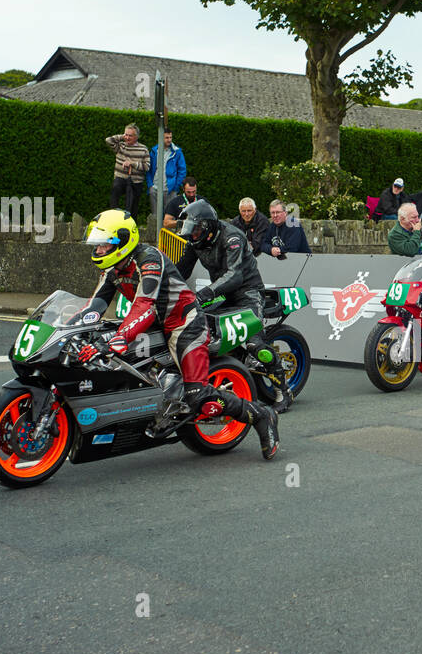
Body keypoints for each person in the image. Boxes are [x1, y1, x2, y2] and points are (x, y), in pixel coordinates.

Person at [77, 209, 278, 459]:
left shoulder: (149, 259)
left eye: (104, 245)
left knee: (198, 397)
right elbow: (96, 304)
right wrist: (72, 328)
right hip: (154, 323)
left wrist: (122, 337)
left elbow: (145, 303)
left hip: (183, 323)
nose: (98, 250)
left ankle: (260, 414)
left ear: (123, 240)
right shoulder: (113, 267)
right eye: (97, 245)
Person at [173, 200, 294, 412]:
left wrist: (205, 293)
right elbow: (181, 270)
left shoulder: (232, 237)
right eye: (190, 232)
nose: (192, 236)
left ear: (207, 227)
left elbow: (234, 275)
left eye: (195, 231)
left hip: (248, 292)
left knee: (254, 344)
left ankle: (283, 391)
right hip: (222, 293)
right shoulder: (196, 241)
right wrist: (164, 286)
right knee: (198, 324)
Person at [105, 124, 149, 216]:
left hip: (136, 181)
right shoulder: (120, 146)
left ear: (136, 137)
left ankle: (131, 223)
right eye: (126, 135)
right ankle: (113, 216)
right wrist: (122, 136)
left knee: (133, 206)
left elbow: (147, 167)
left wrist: (132, 163)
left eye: (130, 135)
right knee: (115, 189)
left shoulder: (143, 149)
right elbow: (108, 140)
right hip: (121, 178)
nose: (127, 138)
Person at [146, 129, 186, 221]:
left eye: (170, 137)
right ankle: (155, 235)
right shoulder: (154, 151)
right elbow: (148, 169)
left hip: (170, 190)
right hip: (155, 189)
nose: (169, 140)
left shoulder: (177, 152)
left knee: (170, 217)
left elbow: (182, 170)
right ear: (161, 138)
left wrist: (175, 187)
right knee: (155, 217)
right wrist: (150, 186)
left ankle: (167, 235)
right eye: (166, 137)